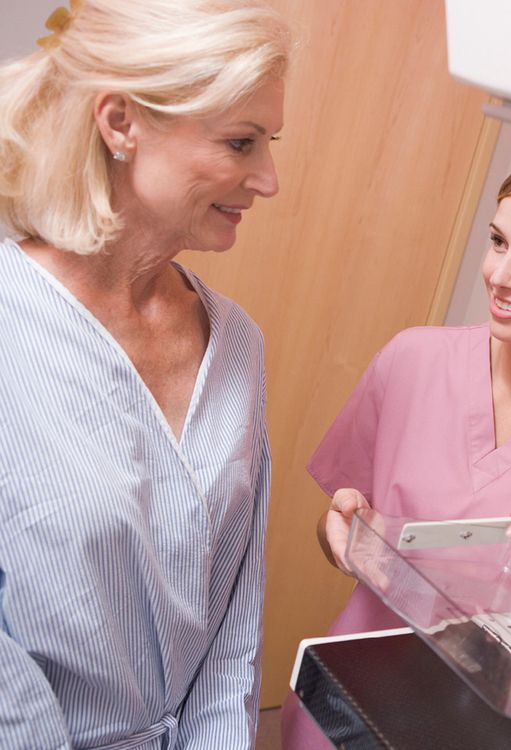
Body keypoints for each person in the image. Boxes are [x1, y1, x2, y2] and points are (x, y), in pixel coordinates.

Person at [281, 155, 511, 746]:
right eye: (497, 242)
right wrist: (343, 536)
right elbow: (339, 530)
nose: (500, 275)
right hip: (342, 705)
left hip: (485, 730)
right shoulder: (413, 360)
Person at [0, 2, 290, 748]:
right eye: (240, 141)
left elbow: (236, 622)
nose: (269, 178)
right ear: (121, 123)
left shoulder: (235, 345)